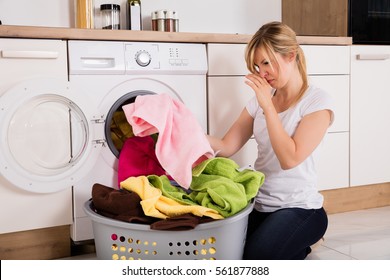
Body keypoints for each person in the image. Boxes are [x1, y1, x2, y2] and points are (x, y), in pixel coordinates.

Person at [206, 21, 334, 260]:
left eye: (266, 62)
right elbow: (226, 146)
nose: (261, 72)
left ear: (291, 55)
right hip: (259, 204)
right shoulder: (259, 102)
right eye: (257, 65)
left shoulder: (317, 102)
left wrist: (268, 106)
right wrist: (180, 130)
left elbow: (290, 158)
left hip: (300, 208)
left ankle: (305, 237)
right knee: (223, 253)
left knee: (258, 258)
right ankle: (298, 246)